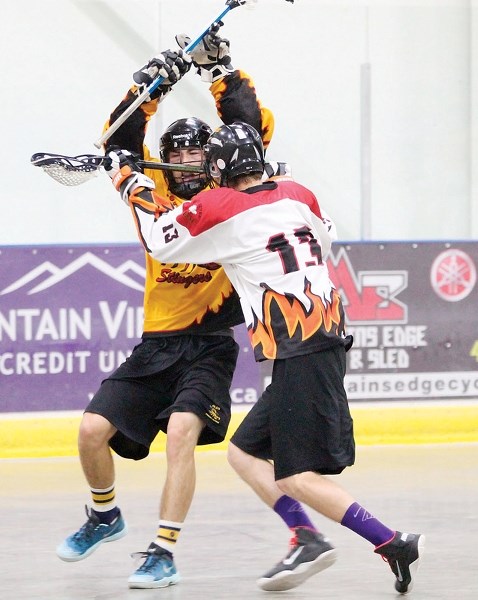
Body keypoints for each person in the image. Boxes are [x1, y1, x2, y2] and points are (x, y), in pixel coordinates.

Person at [103, 121, 426, 595]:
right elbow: (325, 236)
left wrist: (128, 178)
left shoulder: (219, 205)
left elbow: (159, 238)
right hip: (324, 340)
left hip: (299, 349)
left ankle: (392, 541)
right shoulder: (299, 193)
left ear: (217, 168)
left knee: (296, 476)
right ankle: (305, 536)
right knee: (245, 452)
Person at [56, 24, 317, 590]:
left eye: (196, 151)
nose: (185, 160)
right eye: (173, 152)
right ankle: (105, 515)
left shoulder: (231, 204)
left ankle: (163, 551)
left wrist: (217, 68)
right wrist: (155, 82)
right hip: (155, 345)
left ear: (213, 159)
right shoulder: (163, 200)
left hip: (209, 349)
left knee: (180, 431)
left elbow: (248, 129)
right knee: (89, 432)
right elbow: (120, 138)